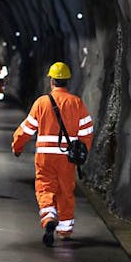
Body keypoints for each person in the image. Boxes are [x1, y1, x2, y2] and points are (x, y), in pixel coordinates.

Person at [11, 62, 94, 246]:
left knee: (45, 187)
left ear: (51, 81)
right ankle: (64, 231)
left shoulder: (41, 102)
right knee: (65, 190)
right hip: (67, 157)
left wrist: (17, 146)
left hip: (45, 157)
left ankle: (49, 218)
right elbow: (87, 130)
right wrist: (83, 150)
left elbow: (27, 128)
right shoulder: (76, 103)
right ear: (67, 81)